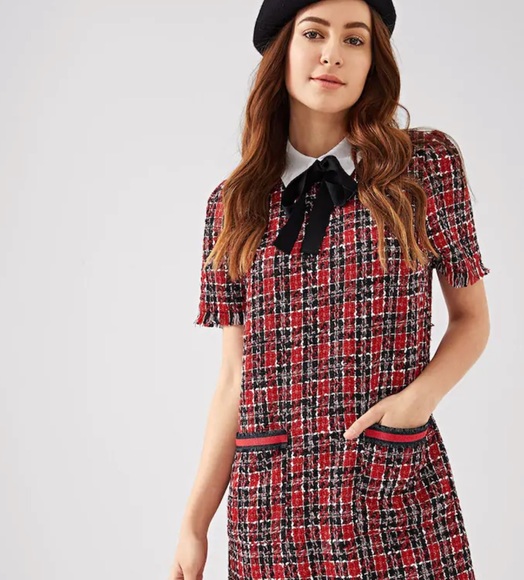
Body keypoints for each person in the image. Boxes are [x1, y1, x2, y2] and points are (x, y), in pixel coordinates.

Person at [170, 0, 491, 578]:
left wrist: (415, 404)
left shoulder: (424, 167)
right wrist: (195, 525)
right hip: (272, 510)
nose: (332, 55)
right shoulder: (234, 205)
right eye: (314, 33)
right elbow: (236, 377)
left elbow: (471, 319)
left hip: (393, 484)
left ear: (373, 61)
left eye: (354, 39)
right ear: (283, 52)